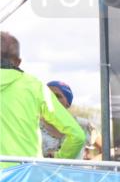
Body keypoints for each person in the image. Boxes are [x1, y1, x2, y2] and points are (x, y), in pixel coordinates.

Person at [1, 32, 85, 164]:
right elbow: (77, 136)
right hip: (25, 176)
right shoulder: (34, 86)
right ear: (18, 62)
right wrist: (58, 158)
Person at [40, 81, 92, 159]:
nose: (52, 99)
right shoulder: (33, 124)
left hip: (74, 171)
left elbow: (105, 150)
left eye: (57, 96)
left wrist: (90, 165)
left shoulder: (82, 124)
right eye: (48, 95)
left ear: (68, 103)